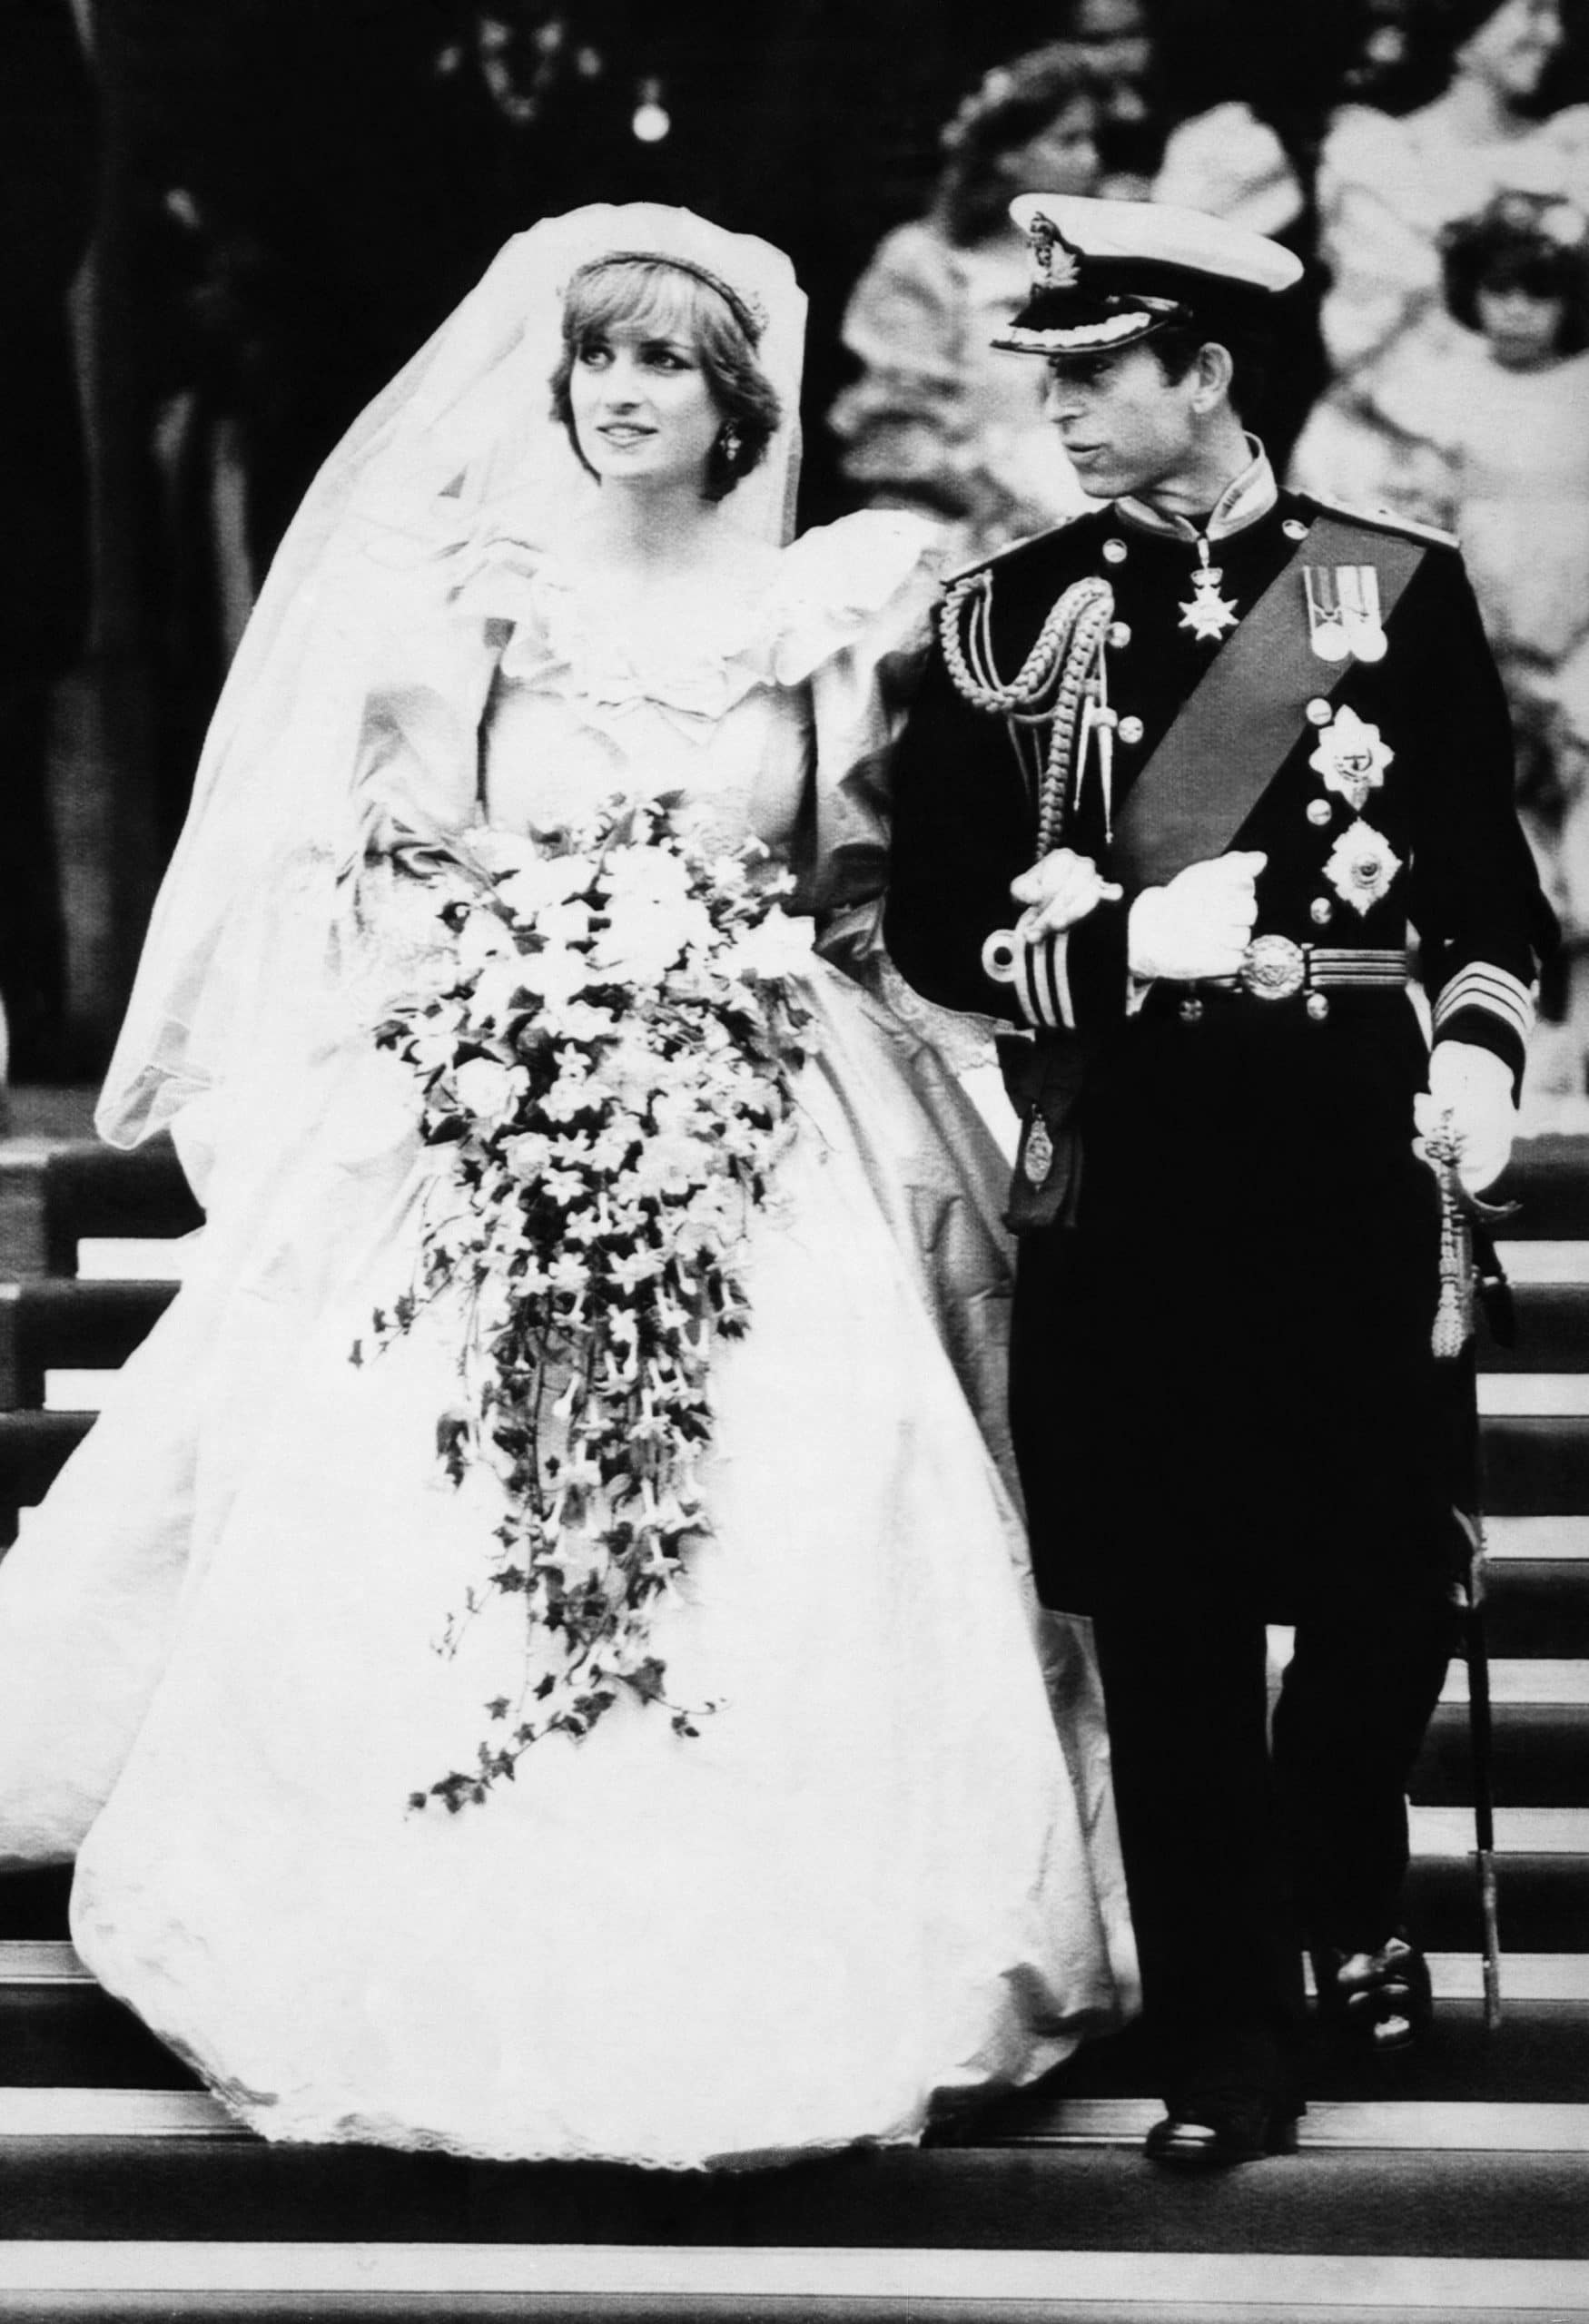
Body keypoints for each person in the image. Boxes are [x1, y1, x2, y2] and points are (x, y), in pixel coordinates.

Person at [0, 206, 1133, 2168]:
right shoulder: (476, 597)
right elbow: (408, 864)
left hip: (760, 1104)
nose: (620, 394)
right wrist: (518, 1027)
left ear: (734, 405)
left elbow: (854, 901)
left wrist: (746, 1013)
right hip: (492, 1096)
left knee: (800, 1481)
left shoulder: (824, 611)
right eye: (596, 361)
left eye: (664, 364)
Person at [884, 192, 1554, 2168]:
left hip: (1356, 1162)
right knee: (1170, 1619)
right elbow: (923, 919)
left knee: (1375, 1594)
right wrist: (1107, 959)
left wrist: (1474, 1050)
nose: (1063, 412)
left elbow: (1487, 892)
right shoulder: (994, 622)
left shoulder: (1387, 592)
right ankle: (1223, 2035)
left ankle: (1338, 1865)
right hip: (1142, 1177)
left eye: (1100, 372)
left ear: (1206, 374)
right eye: (1048, 375)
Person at [1362, 189, 1589, 1108]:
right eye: (1498, 289)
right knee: (1479, 860)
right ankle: (1491, 1075)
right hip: (1474, 656)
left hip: (1578, 657)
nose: (1517, 311)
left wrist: (1562, 677)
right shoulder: (1435, 396)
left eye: (1539, 291)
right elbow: (1416, 543)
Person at [1289, 0, 1589, 508]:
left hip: (1547, 460)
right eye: (1533, 11)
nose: (1552, 34)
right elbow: (1362, 346)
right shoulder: (1380, 158)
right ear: (1465, 22)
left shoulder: (1572, 154)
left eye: (1555, 14)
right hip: (1393, 461)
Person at [828, 44, 1109, 562]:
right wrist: (1006, 511)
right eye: (1067, 141)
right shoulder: (927, 262)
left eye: (1092, 140)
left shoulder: (1094, 268)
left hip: (1077, 520)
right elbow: (894, 431)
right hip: (954, 530)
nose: (1090, 159)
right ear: (1008, 155)